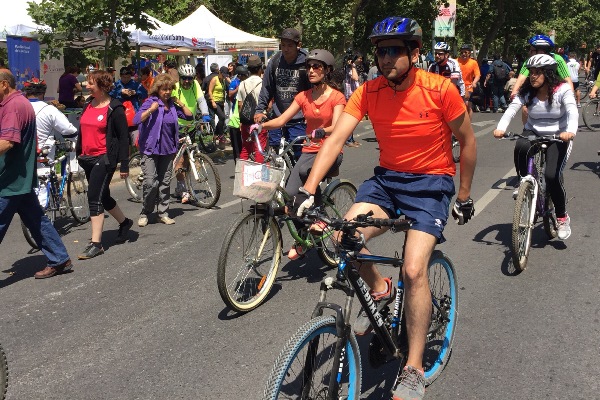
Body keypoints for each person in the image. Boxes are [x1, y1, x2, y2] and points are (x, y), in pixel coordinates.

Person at [296, 17, 476, 400]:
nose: (385, 58)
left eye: (395, 50)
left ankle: (413, 368)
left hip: (431, 185)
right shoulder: (368, 91)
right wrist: (308, 190)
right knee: (342, 237)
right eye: (380, 51)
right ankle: (381, 290)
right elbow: (336, 139)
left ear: (415, 53)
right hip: (387, 182)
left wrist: (463, 196)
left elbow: (467, 141)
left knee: (413, 270)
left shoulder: (440, 89)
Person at [250, 49, 346, 260]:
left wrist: (323, 131)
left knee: (305, 171)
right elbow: (281, 120)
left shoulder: (337, 97)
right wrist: (262, 126)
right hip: (309, 150)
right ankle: (303, 236)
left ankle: (319, 216)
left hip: (330, 150)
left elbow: (339, 126)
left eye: (316, 67)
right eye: (308, 67)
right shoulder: (303, 97)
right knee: (291, 195)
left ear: (327, 70)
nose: (311, 70)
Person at [0, 69, 73, 279]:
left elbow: (8, 141)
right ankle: (59, 258)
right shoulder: (17, 103)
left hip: (10, 179)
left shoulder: (13, 106)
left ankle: (59, 258)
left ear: (4, 84)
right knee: (35, 219)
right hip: (18, 177)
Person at [493, 54, 576, 240]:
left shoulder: (562, 90)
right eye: (531, 72)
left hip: (558, 135)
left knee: (552, 176)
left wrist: (570, 131)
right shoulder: (527, 91)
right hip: (534, 131)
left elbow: (572, 111)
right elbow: (512, 109)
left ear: (549, 74)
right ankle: (525, 181)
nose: (533, 76)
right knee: (521, 146)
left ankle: (562, 217)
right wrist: (501, 128)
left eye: (538, 72)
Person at [75, 70, 133, 259]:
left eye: (91, 83)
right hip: (87, 158)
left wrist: (124, 164)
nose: (86, 85)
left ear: (101, 85)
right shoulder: (88, 104)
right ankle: (125, 223)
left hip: (104, 158)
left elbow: (124, 138)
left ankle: (96, 244)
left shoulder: (115, 108)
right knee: (104, 196)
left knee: (94, 197)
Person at [133, 74, 193, 227]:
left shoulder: (172, 105)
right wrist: (151, 110)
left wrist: (180, 103)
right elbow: (136, 119)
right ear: (157, 90)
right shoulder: (151, 102)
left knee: (164, 183)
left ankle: (163, 213)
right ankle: (145, 212)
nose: (167, 92)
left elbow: (189, 116)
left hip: (167, 149)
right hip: (150, 148)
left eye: (169, 89)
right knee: (150, 182)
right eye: (164, 89)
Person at [254, 28, 311, 160]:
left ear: (298, 45)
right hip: (277, 117)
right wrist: (259, 110)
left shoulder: (307, 63)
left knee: (299, 157)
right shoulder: (275, 61)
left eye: (290, 45)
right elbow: (266, 88)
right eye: (283, 45)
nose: (285, 49)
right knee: (275, 157)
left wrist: (310, 114)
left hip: (298, 120)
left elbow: (313, 91)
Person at [23, 78, 78, 206]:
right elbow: (69, 130)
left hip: (22, 155)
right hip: (44, 154)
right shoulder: (49, 110)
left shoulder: (18, 108)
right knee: (42, 185)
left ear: (26, 92)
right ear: (43, 93)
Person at [172, 63, 210, 203]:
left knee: (188, 158)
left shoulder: (195, 85)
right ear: (180, 78)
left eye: (190, 78)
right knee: (180, 159)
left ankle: (180, 186)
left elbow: (201, 100)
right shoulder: (175, 88)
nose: (187, 81)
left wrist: (205, 114)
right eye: (184, 78)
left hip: (190, 126)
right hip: (177, 126)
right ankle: (183, 189)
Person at [510, 35, 573, 100]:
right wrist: (513, 95)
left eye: (532, 50)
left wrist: (570, 99)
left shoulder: (557, 59)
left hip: (555, 94)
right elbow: (520, 80)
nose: (529, 52)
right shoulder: (529, 61)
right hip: (536, 94)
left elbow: (568, 81)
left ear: (541, 51)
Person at [238, 55, 267, 162]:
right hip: (260, 119)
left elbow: (240, 105)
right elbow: (269, 105)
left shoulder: (242, 84)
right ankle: (259, 172)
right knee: (260, 148)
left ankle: (241, 171)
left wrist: (241, 121)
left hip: (246, 120)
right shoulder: (263, 83)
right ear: (260, 68)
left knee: (246, 148)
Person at [457, 44, 481, 117]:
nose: (463, 54)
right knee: (459, 105)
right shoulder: (456, 61)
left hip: (468, 87)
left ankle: (468, 122)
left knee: (467, 104)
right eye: (462, 52)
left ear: (469, 53)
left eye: (465, 52)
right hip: (457, 86)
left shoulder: (473, 62)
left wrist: (474, 82)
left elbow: (477, 75)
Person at [344, 51, 361, 147]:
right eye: (359, 58)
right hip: (349, 96)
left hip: (353, 95)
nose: (360, 60)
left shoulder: (351, 67)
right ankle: (348, 140)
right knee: (350, 118)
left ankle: (351, 139)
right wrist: (353, 66)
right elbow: (355, 77)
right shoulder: (349, 68)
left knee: (353, 118)